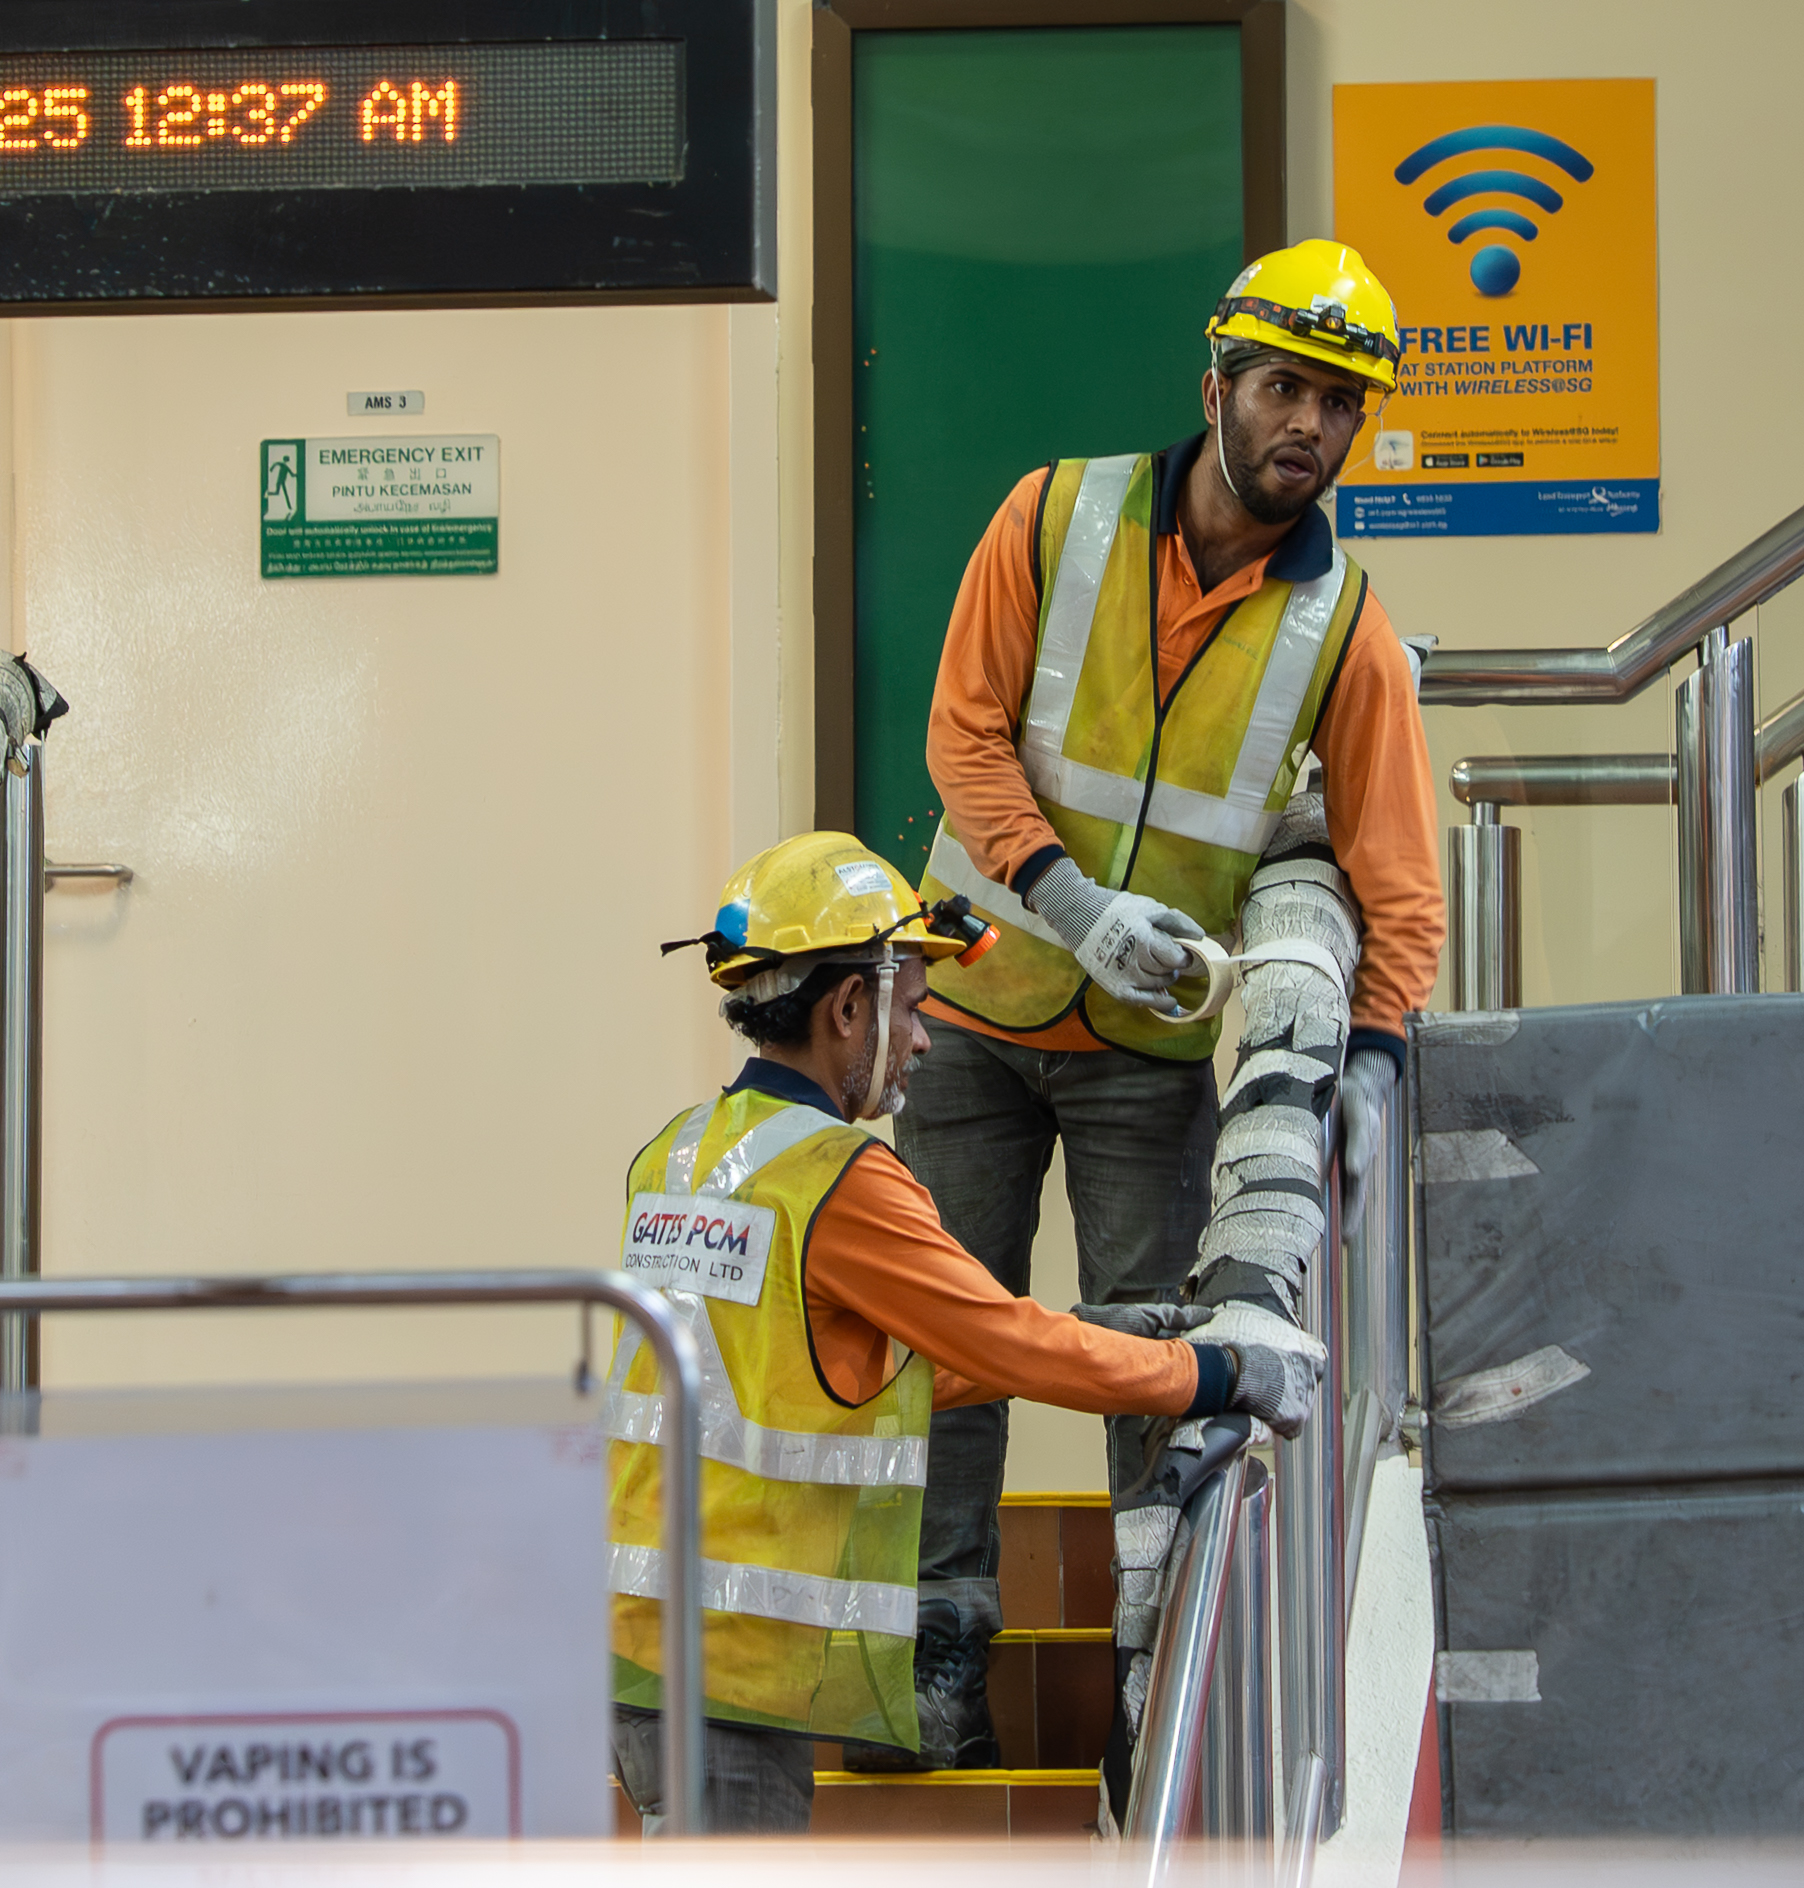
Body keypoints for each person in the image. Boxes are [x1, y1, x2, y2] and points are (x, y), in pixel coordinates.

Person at [890, 241, 1445, 1767]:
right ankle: (933, 1646)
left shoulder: (1348, 631)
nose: (1309, 427)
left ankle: (1155, 1666)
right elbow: (963, 738)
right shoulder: (1054, 517)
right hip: (973, 1010)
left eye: (1342, 404)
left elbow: (1399, 886)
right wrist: (1069, 901)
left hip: (1148, 1061)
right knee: (948, 1343)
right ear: (1217, 387)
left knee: (1163, 1366)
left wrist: (1372, 1078)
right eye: (1284, 388)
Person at [604, 831, 1321, 1834]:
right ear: (848, 1006)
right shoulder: (839, 1181)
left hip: (644, 1652)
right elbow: (1004, 1344)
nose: (925, 1038)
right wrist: (1216, 1370)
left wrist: (1104, 1330)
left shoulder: (677, 1156)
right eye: (911, 1005)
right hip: (735, 1667)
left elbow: (823, 1381)